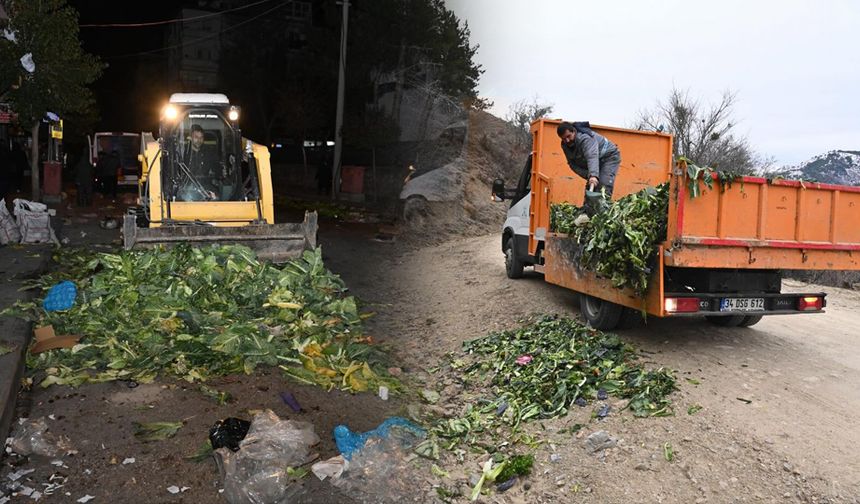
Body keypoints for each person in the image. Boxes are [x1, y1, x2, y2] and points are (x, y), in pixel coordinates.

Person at [557, 121, 621, 198]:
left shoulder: (585, 139)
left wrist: (593, 175)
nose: (567, 140)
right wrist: (588, 175)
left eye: (569, 136)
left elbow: (592, 156)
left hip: (609, 157)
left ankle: (604, 207)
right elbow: (572, 164)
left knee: (603, 185)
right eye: (564, 139)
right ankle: (588, 209)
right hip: (596, 161)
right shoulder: (565, 145)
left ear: (574, 131)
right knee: (591, 185)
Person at [180, 124, 218, 200]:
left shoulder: (209, 153)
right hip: (187, 187)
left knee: (216, 198)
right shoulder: (183, 153)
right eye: (196, 137)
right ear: (190, 137)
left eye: (201, 137)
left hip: (205, 186)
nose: (199, 140)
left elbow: (216, 168)